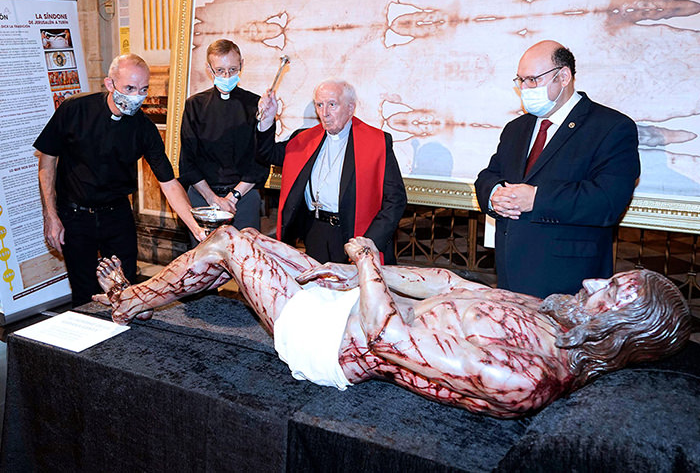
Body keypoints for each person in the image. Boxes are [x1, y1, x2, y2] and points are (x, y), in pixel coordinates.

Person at [93, 228, 690, 419]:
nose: (591, 282)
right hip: (356, 301)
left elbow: (390, 340)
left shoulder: (528, 376)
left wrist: (367, 264)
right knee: (252, 239)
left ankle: (129, 303)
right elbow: (454, 284)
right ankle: (139, 298)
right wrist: (344, 271)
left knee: (228, 243)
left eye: (609, 290)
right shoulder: (548, 314)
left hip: (329, 343)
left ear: (625, 327)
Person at [35, 53, 206, 307]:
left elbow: (169, 182)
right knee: (84, 293)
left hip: (116, 215)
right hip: (75, 216)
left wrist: (196, 227)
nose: (137, 96)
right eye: (129, 88)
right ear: (109, 84)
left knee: (126, 290)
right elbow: (47, 159)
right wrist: (51, 215)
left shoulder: (144, 128)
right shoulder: (75, 109)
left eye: (143, 89)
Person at [474, 40, 640, 298]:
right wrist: (494, 194)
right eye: (520, 80)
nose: (525, 88)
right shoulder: (516, 129)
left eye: (532, 80)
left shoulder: (611, 127)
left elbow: (608, 200)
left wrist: (537, 199)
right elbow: (489, 175)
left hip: (567, 280)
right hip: (510, 274)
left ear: (563, 76)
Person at [256, 78, 407, 264]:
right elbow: (266, 155)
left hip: (354, 235)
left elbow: (396, 200)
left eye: (332, 105)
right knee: (318, 290)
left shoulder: (377, 143)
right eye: (319, 105)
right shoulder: (304, 139)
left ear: (350, 108)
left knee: (353, 292)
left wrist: (369, 242)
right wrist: (267, 118)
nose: (324, 113)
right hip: (314, 232)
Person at [179, 39, 270, 245]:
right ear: (209, 69)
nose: (226, 76)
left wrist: (233, 197)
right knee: (203, 266)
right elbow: (187, 163)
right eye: (220, 70)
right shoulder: (195, 105)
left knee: (246, 265)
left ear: (241, 66)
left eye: (232, 69)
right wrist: (212, 198)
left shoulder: (254, 104)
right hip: (203, 198)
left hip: (243, 198)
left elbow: (261, 160)